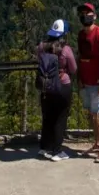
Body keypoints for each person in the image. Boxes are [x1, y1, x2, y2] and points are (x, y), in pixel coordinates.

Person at [36, 19, 78, 161]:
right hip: (62, 86)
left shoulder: (41, 47)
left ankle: (44, 147)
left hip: (45, 87)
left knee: (47, 117)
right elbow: (73, 68)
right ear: (64, 34)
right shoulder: (66, 50)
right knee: (60, 118)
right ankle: (57, 151)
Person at [77, 3, 99, 163]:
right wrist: (80, 78)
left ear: (94, 16)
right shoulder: (81, 35)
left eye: (88, 13)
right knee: (93, 116)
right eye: (83, 13)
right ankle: (98, 144)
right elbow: (80, 58)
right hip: (88, 83)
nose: (85, 16)